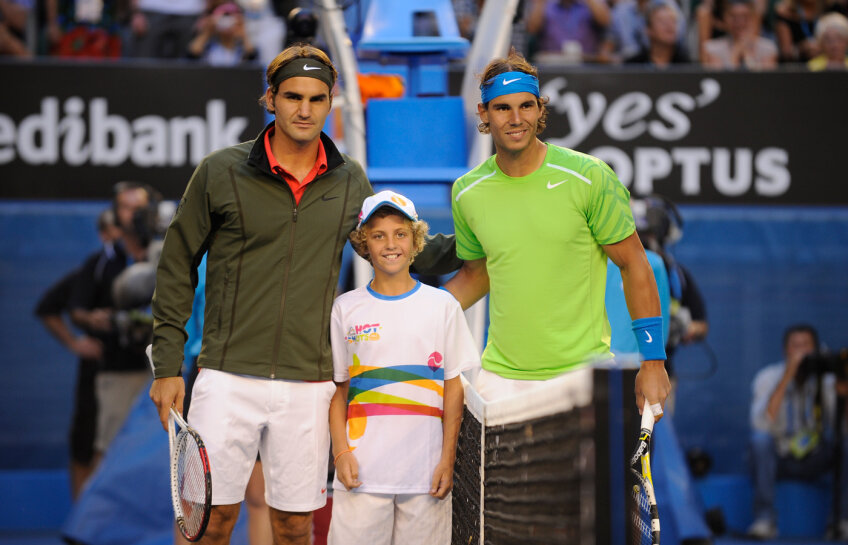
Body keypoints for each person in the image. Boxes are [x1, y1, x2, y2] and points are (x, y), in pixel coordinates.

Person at [148, 44, 459, 545]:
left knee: (295, 528)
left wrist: (483, 246)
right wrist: (166, 365)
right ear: (269, 98)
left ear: (330, 103)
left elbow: (399, 244)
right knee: (208, 523)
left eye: (317, 99)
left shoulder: (349, 178)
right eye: (292, 96)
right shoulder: (220, 171)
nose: (304, 109)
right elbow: (176, 263)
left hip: (310, 384)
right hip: (226, 377)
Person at [443, 50, 670, 417]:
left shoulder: (590, 176)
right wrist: (417, 312)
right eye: (502, 108)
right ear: (484, 113)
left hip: (579, 376)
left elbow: (633, 264)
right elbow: (477, 273)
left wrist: (653, 362)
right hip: (500, 382)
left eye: (526, 106)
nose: (517, 119)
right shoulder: (467, 191)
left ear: (539, 108)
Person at [327, 191, 479, 545]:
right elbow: (339, 391)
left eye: (400, 233)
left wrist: (447, 460)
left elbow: (454, 389)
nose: (390, 244)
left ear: (415, 242)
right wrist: (340, 453)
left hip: (426, 479)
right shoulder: (344, 309)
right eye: (378, 235)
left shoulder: (443, 306)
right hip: (360, 477)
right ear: (364, 245)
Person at [33, 208, 122, 498]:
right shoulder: (94, 269)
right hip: (98, 373)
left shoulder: (150, 265)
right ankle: (83, 522)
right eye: (117, 227)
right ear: (104, 234)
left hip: (139, 373)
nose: (123, 234)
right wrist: (75, 341)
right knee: (87, 443)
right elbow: (48, 307)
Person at [69, 183, 160, 461]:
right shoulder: (103, 263)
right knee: (109, 449)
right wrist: (94, 321)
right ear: (115, 213)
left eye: (139, 208)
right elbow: (76, 309)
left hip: (162, 372)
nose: (133, 214)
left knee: (163, 453)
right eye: (126, 207)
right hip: (118, 370)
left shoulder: (166, 253)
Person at [747, 324, 848, 539]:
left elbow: (843, 429)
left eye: (806, 346)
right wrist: (788, 375)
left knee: (845, 446)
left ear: (817, 350)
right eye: (796, 346)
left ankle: (839, 521)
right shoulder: (768, 377)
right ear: (785, 350)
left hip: (815, 457)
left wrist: (843, 397)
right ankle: (765, 520)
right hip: (780, 457)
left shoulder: (826, 381)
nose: (801, 353)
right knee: (760, 442)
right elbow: (761, 425)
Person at [527, 0, 612, 62]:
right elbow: (532, 29)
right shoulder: (546, 3)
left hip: (587, 63)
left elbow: (605, 22)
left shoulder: (591, 3)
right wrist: (539, 3)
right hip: (551, 63)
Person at [701, 0, 778, 69]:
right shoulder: (712, 48)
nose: (739, 22)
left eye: (744, 16)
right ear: (725, 18)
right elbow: (718, 80)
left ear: (753, 18)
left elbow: (767, 81)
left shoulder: (768, 48)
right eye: (734, 17)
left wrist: (748, 57)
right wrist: (736, 53)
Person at [187, 1, 259, 65]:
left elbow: (253, 59)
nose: (226, 21)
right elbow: (191, 57)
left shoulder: (243, 47)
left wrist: (243, 34)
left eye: (230, 16)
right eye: (224, 16)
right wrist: (207, 32)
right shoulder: (207, 46)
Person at [623, 2, 691, 67]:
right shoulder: (634, 65)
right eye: (663, 21)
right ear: (648, 30)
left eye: (673, 21)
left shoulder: (686, 65)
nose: (669, 26)